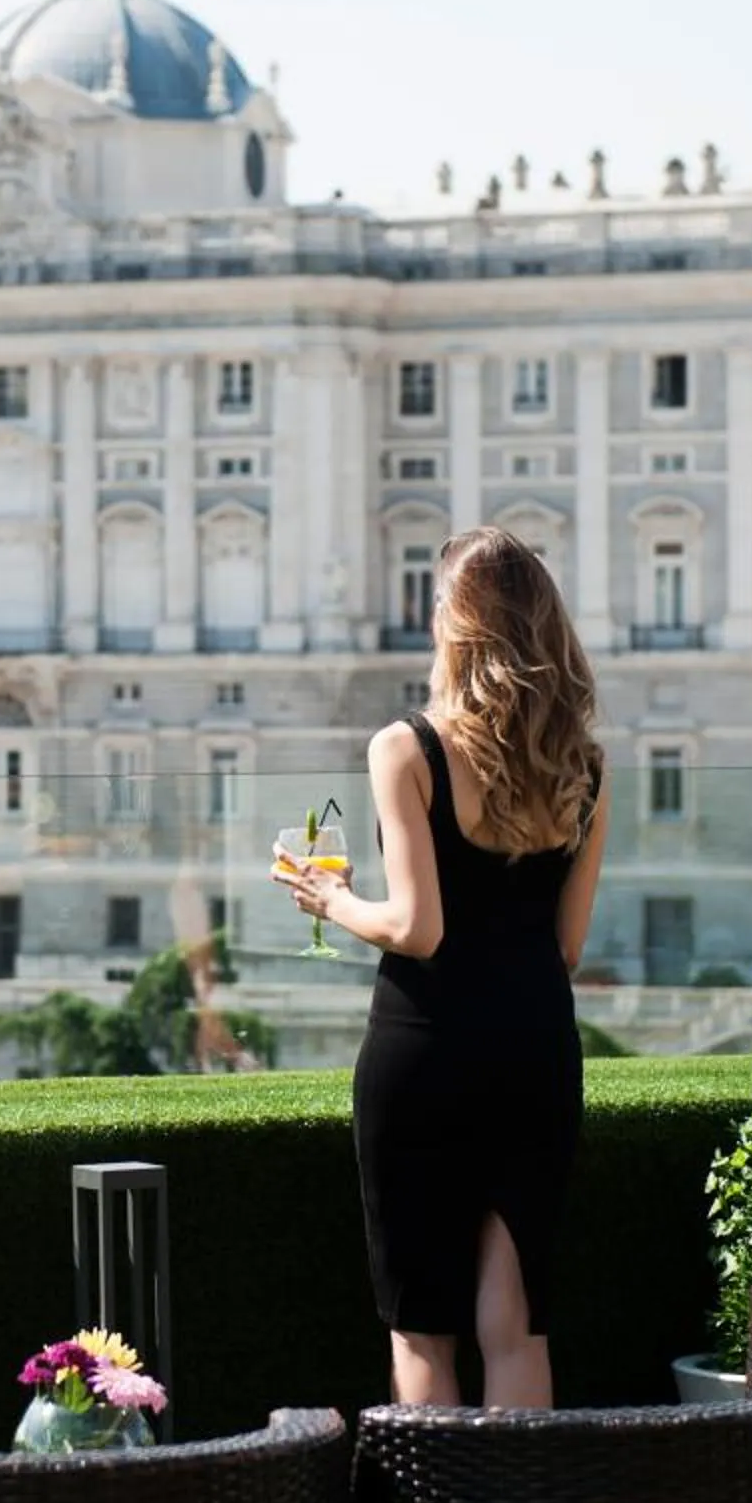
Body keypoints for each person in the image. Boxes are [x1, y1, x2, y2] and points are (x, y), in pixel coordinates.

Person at [272, 525, 609, 1408]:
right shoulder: (586, 765)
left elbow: (419, 929)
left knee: (423, 1326)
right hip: (537, 1046)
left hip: (427, 1048)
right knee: (516, 1317)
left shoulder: (406, 748)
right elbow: (567, 948)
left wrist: (329, 900)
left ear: (454, 626)